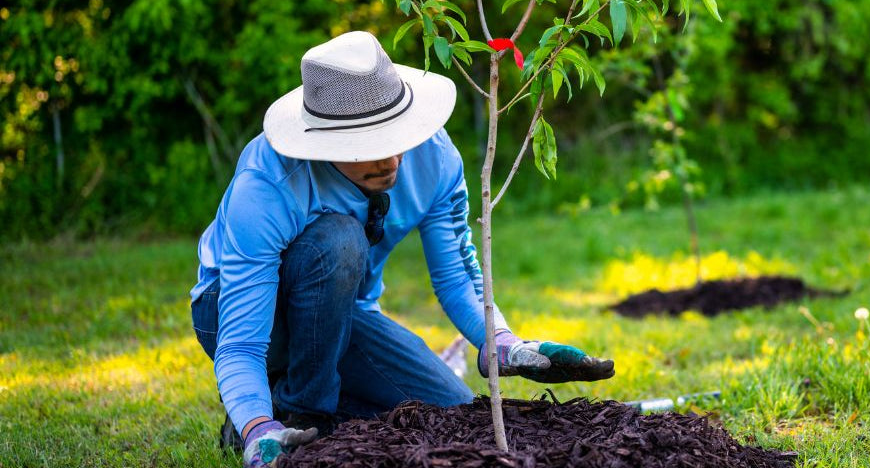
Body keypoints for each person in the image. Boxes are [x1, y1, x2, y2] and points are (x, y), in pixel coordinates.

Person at [189, 31, 614, 468]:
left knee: (450, 410)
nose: (391, 158)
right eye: (367, 145)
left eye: (395, 135)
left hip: (341, 316)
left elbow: (455, 275)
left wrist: (501, 342)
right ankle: (295, 414)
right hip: (235, 312)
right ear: (324, 143)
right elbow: (242, 343)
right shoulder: (268, 186)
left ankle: (291, 403)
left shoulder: (434, 158)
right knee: (339, 240)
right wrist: (257, 429)